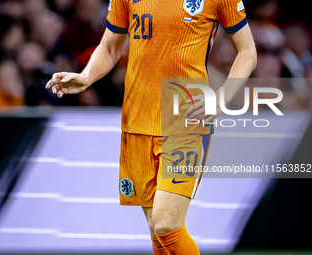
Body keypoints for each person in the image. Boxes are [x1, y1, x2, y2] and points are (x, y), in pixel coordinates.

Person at [46, 0, 257, 254]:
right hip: (137, 119)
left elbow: (247, 52)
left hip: (185, 117)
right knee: (156, 228)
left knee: (167, 225)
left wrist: (222, 98)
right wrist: (86, 76)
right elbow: (110, 48)